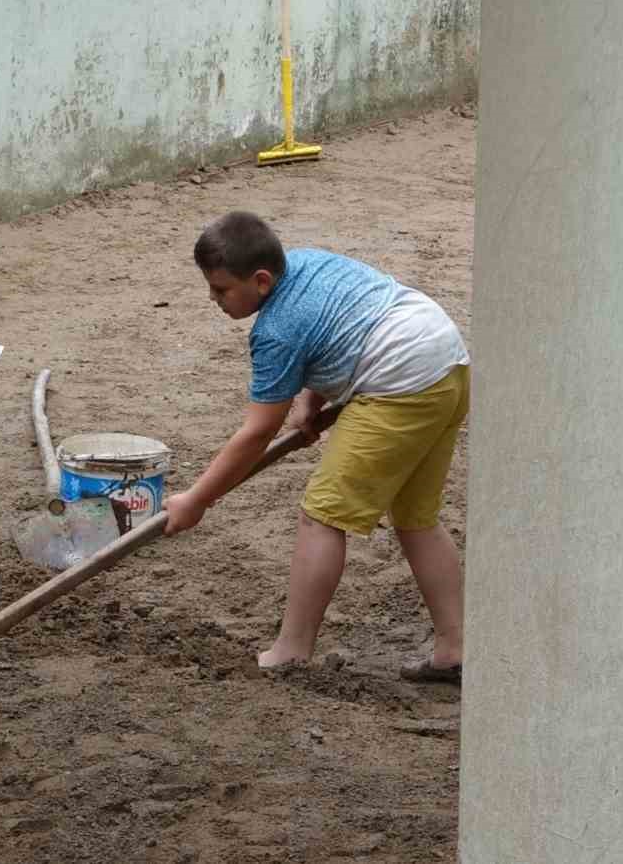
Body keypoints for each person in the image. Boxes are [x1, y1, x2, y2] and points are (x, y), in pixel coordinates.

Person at [161, 211, 469, 683]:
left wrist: (196, 500)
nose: (213, 299)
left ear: (261, 280)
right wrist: (311, 401)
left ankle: (290, 650)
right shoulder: (305, 263)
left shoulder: (275, 331)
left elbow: (256, 434)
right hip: (446, 361)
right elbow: (339, 323)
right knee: (416, 516)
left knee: (322, 514)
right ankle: (457, 648)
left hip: (400, 385)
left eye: (221, 289)